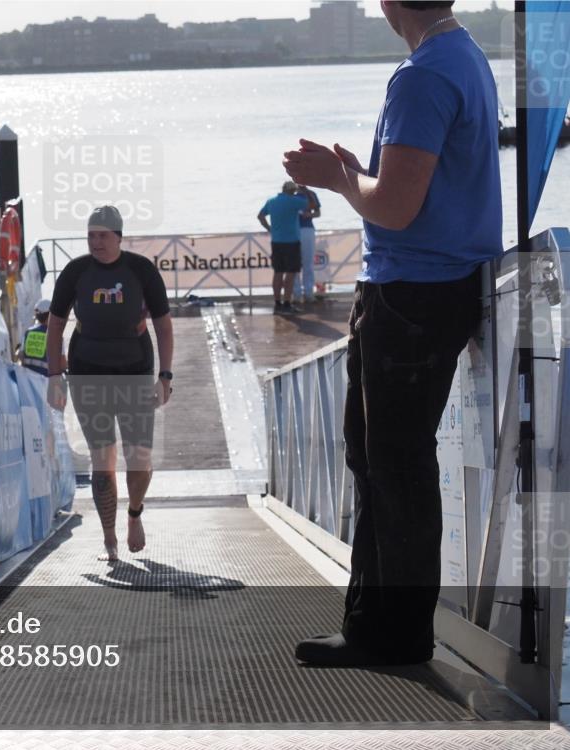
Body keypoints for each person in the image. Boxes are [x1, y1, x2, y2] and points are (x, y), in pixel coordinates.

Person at [282, 0, 501, 666]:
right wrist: (357, 172)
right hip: (435, 288)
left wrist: (338, 178)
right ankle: (379, 624)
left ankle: (394, 633)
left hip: (412, 294)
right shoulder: (463, 57)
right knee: (382, 460)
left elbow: (397, 208)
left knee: (393, 466)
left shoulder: (424, 73)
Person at [45, 205, 174, 562]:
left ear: (119, 236)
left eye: (103, 235)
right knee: (102, 457)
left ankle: (134, 513)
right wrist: (55, 376)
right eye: (90, 235)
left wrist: (165, 376)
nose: (96, 242)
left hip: (135, 367)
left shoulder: (140, 270)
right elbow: (55, 324)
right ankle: (109, 539)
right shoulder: (75, 272)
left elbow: (163, 325)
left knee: (139, 456)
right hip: (87, 369)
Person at [257, 182, 315, 314]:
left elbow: (260, 216)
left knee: (278, 273)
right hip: (292, 242)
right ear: (292, 191)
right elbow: (312, 206)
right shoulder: (293, 201)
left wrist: (269, 228)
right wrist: (306, 192)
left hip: (276, 241)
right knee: (290, 273)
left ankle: (277, 303)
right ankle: (287, 303)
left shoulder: (271, 201)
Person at [292, 185, 322, 303]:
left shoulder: (311, 194)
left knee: (308, 262)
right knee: (294, 263)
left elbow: (318, 212)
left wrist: (310, 215)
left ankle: (309, 293)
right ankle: (296, 294)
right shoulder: (291, 195)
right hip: (293, 231)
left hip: (307, 229)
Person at [18, 299, 53, 376]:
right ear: (50, 315)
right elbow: (63, 364)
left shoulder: (28, 333)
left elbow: (21, 355)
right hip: (47, 381)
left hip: (30, 380)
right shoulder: (54, 335)